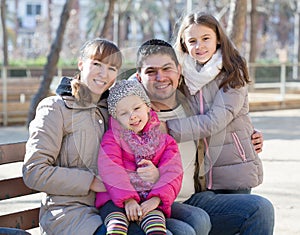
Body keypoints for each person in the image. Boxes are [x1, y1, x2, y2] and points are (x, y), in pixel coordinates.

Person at [134, 38, 274, 235]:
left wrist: (250, 136)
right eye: (151, 71)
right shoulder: (132, 114)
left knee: (260, 208)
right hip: (152, 204)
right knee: (192, 226)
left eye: (167, 69)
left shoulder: (190, 106)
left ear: (179, 70)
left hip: (194, 198)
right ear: (139, 77)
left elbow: (219, 118)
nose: (161, 77)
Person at [22, 38, 123, 235]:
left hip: (110, 207)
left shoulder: (113, 111)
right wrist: (91, 181)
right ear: (81, 64)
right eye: (97, 64)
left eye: (112, 68)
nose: (104, 74)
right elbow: (34, 171)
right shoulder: (56, 108)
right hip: (68, 212)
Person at [162, 12, 263, 194]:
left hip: (233, 171)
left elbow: (215, 121)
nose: (199, 46)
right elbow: (150, 84)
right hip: (199, 175)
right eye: (192, 41)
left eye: (205, 38)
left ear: (217, 39)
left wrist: (166, 128)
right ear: (184, 44)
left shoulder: (232, 72)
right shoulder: (181, 75)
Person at [95, 79, 183, 235]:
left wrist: (156, 200)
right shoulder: (112, 139)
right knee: (116, 227)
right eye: (123, 113)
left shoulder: (165, 141)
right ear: (116, 118)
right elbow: (111, 169)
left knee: (156, 228)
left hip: (150, 200)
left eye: (136, 108)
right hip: (116, 200)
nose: (132, 116)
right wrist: (128, 199)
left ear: (147, 107)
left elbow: (173, 172)